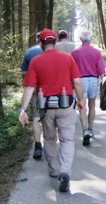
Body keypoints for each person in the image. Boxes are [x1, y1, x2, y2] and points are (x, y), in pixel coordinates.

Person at [19, 29, 84, 193]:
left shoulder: (35, 61)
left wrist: (23, 109)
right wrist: (81, 100)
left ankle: (54, 170)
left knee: (49, 139)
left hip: (46, 107)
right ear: (55, 42)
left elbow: (28, 87)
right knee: (67, 140)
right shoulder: (67, 58)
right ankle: (65, 171)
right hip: (66, 104)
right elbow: (76, 82)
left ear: (41, 44)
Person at [71, 30, 106, 146]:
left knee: (81, 105)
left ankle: (85, 130)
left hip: (80, 80)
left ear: (80, 39)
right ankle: (90, 129)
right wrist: (104, 83)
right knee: (92, 105)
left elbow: (71, 70)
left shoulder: (75, 53)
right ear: (90, 39)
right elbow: (101, 70)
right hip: (93, 80)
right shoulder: (96, 52)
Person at [20, 32, 43, 160]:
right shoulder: (52, 51)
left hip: (34, 88)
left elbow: (24, 72)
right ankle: (52, 145)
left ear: (37, 39)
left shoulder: (30, 52)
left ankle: (38, 145)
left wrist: (29, 81)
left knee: (36, 117)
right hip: (50, 89)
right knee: (50, 117)